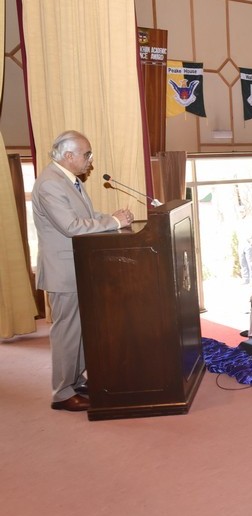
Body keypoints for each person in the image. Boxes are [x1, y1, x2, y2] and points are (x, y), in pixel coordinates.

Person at [32, 130, 134, 411]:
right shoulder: (50, 184)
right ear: (68, 155)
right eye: (87, 154)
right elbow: (71, 226)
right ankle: (62, 393)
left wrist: (114, 218)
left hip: (77, 267)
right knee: (66, 332)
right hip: (63, 270)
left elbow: (86, 217)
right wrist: (114, 222)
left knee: (78, 330)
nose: (91, 160)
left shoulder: (70, 180)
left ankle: (75, 380)